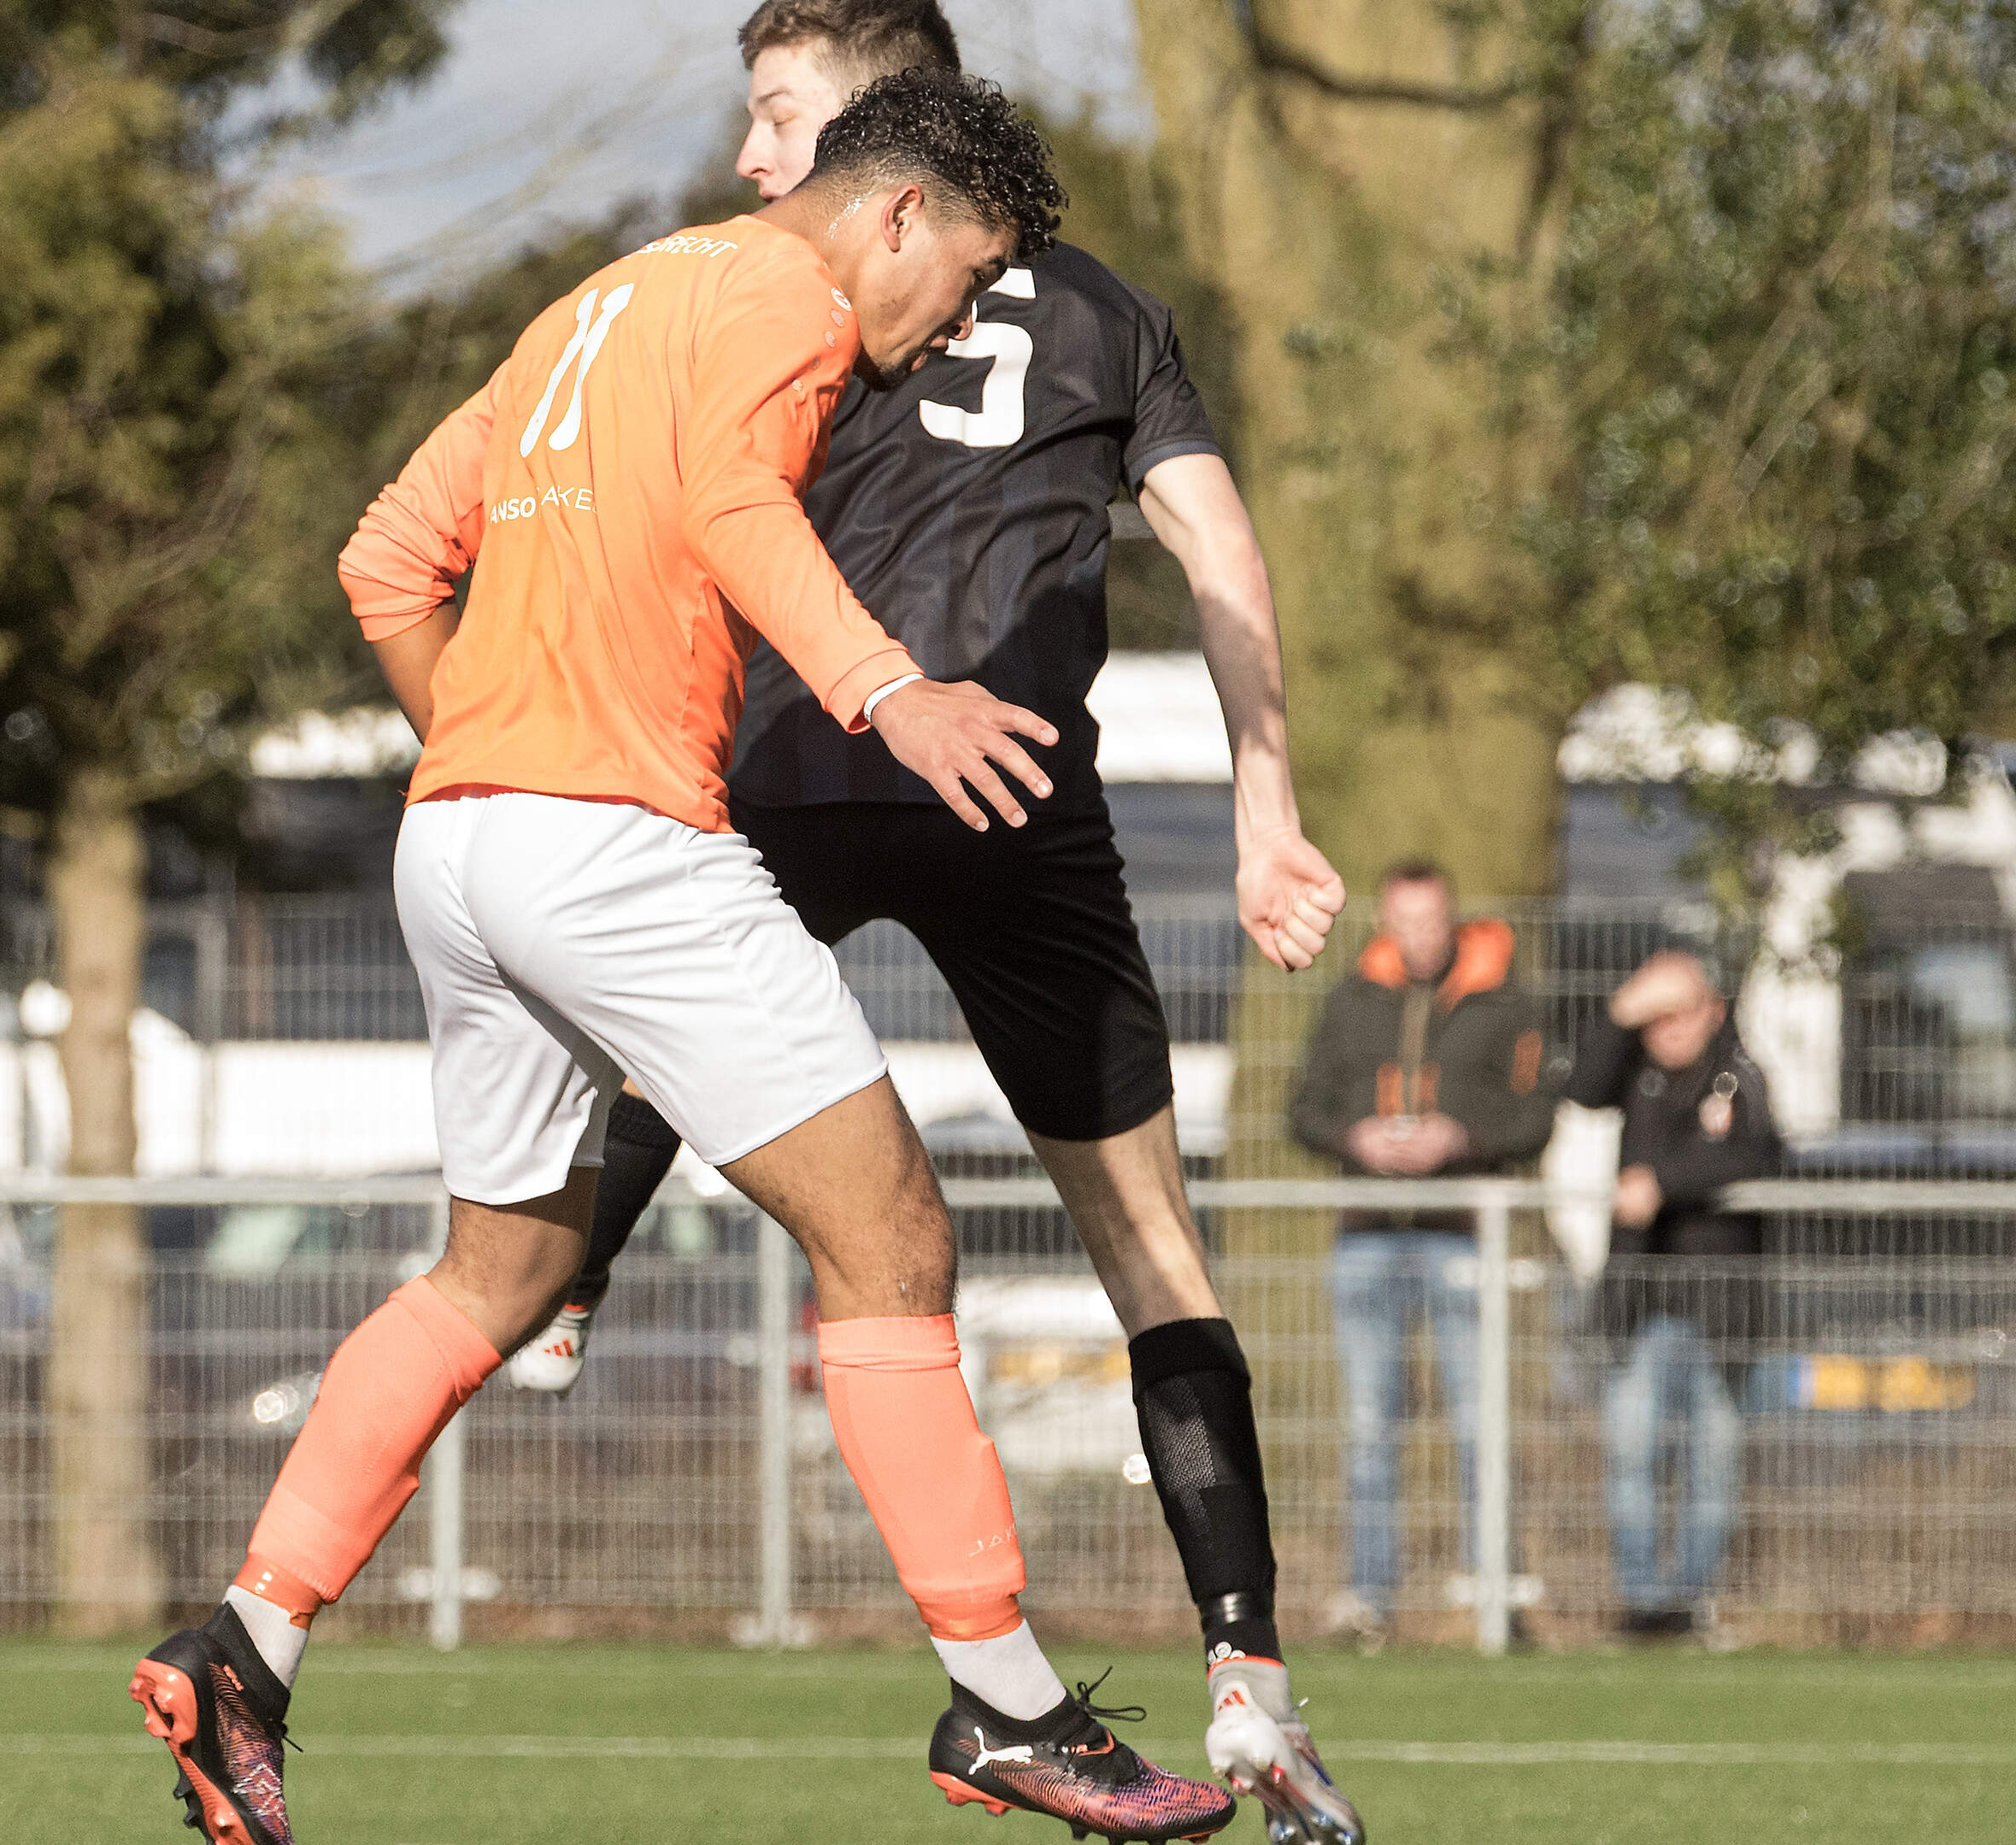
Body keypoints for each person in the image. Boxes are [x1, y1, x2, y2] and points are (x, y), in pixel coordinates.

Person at [126, 72, 1236, 1845]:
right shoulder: (786, 299)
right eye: (958, 286)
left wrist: (493, 740)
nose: (944, 327)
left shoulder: (597, 302)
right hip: (616, 845)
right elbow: (733, 502)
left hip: (463, 839)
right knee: (893, 1237)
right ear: (894, 216)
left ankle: (245, 1643)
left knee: (494, 1275)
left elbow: (389, 558)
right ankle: (1012, 1704)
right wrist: (893, 687)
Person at [524, 6, 1356, 1837]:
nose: (759, 157)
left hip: (813, 755)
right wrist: (1268, 803)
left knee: (671, 996)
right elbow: (1224, 558)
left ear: (890, 122)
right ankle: (1251, 1672)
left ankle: (569, 1255)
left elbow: (648, 522)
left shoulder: (764, 296)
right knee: (1155, 1251)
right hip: (1019, 801)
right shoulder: (1111, 310)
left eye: (781, 114)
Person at [1287, 861, 1556, 1645]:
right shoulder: (1348, 1000)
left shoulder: (1506, 1002)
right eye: (1403, 923)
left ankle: (1494, 1594)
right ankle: (1367, 1599)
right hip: (1367, 1234)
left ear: (1453, 917)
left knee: (1481, 1418)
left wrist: (1462, 1139)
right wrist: (1354, 1138)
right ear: (1384, 922)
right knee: (1371, 1424)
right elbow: (1303, 1109)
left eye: (1432, 922)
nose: (1418, 939)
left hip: (1464, 1231)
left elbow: (1537, 1115)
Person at [1567, 949, 1778, 1640]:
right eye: (1653, 1018)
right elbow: (1583, 1085)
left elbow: (1754, 1154)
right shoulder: (1637, 1072)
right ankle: (1643, 1602)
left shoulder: (1739, 1074)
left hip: (1719, 1306)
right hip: (1642, 1304)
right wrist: (1622, 1007)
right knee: (1631, 1452)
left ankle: (1692, 1601)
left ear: (1713, 1009)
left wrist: (1661, 1182)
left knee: (1711, 1462)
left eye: (1678, 1011)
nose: (1667, 1029)